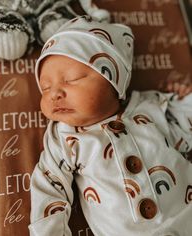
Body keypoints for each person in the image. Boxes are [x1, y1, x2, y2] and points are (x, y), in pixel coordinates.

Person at [29, 15, 192, 236]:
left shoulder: (152, 107)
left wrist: (184, 101)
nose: (54, 93)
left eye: (72, 79)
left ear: (114, 80)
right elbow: (48, 187)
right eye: (45, 88)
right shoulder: (64, 138)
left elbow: (185, 130)